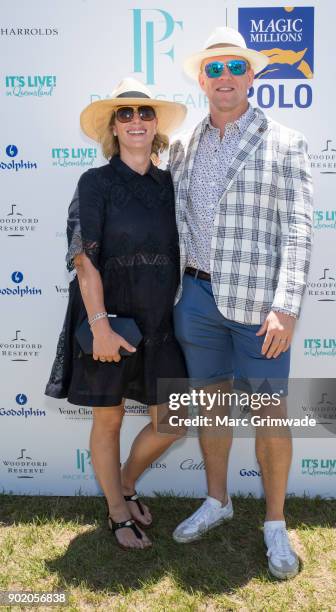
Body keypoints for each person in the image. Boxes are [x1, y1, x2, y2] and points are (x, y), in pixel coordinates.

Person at [169, 27, 313, 579]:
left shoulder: (285, 141)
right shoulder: (185, 145)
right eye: (214, 69)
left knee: (269, 414)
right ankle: (217, 500)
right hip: (196, 299)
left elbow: (298, 230)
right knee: (210, 406)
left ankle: (274, 523)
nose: (224, 77)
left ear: (251, 76)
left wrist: (287, 305)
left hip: (261, 309)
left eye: (234, 67)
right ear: (202, 80)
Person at [45, 78, 188, 551]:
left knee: (173, 419)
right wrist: (101, 325)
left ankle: (127, 482)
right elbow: (84, 259)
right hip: (108, 318)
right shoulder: (95, 182)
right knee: (107, 421)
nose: (136, 121)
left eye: (144, 113)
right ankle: (115, 512)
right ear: (113, 126)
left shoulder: (170, 183)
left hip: (160, 323)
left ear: (156, 126)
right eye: (125, 114)